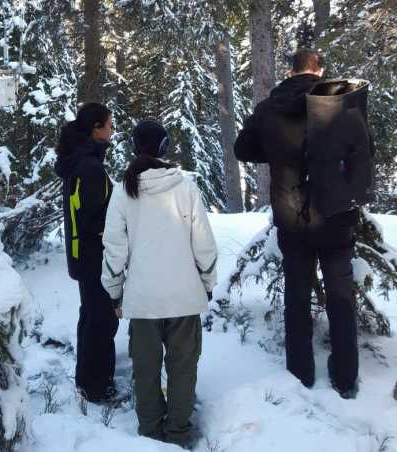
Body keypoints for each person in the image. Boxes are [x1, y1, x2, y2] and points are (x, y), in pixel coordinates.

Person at [234, 49, 372, 399]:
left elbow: (242, 149)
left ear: (290, 70)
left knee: (296, 295)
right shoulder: (340, 103)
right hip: (337, 216)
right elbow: (365, 149)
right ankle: (345, 377)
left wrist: (276, 150)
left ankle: (300, 373)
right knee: (341, 298)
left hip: (292, 218)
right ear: (319, 70)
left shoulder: (270, 107)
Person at [101, 120, 217, 448]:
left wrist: (114, 292)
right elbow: (204, 244)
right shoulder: (186, 188)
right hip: (184, 297)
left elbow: (113, 249)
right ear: (164, 147)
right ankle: (178, 434)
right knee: (183, 370)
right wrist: (207, 282)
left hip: (143, 300)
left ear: (135, 147)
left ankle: (150, 436)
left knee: (146, 371)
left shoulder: (124, 191)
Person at [54, 103, 119, 403]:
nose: (112, 129)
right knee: (102, 320)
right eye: (108, 124)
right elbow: (96, 219)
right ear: (95, 128)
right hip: (93, 255)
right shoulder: (89, 167)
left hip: (82, 253)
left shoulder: (80, 160)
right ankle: (97, 387)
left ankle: (87, 379)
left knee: (91, 315)